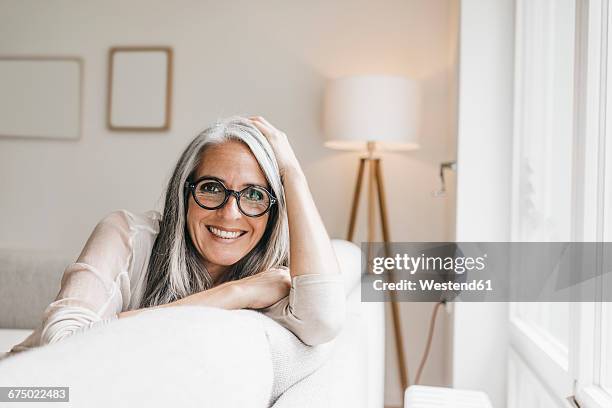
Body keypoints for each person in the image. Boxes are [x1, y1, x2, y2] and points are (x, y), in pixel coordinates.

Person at [8, 115, 345, 355]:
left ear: (275, 209)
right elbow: (63, 346)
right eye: (212, 188)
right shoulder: (126, 234)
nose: (230, 213)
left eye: (255, 194)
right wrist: (235, 294)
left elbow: (323, 321)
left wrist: (293, 175)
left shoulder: (277, 276)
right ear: (183, 195)